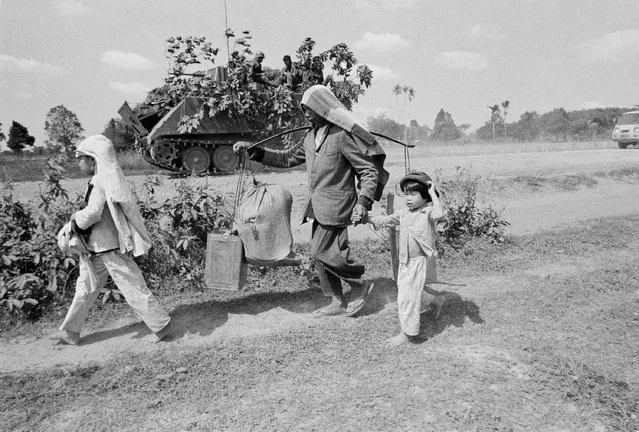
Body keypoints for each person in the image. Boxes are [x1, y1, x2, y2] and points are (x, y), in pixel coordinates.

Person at [233, 85, 389, 317]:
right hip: (317, 207)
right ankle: (337, 301)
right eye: (303, 109)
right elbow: (286, 159)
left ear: (322, 109)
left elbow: (368, 171)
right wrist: (255, 151)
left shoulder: (340, 136)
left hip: (338, 205)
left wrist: (363, 202)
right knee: (322, 256)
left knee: (321, 253)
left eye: (309, 109)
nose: (305, 113)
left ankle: (359, 285)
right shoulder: (309, 137)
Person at [52, 134, 171, 345]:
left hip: (108, 248)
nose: (79, 162)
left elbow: (94, 213)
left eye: (81, 158)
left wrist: (74, 218)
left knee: (132, 285)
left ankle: (161, 326)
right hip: (97, 248)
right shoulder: (104, 179)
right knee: (85, 288)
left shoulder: (98, 182)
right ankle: (71, 332)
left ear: (92, 159)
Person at [369, 171, 446, 347]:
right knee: (409, 292)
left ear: (425, 196)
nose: (408, 198)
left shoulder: (428, 212)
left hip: (418, 263)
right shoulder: (404, 212)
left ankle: (408, 334)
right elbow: (387, 220)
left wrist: (433, 193)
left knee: (406, 298)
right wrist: (368, 219)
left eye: (413, 194)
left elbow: (439, 214)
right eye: (406, 194)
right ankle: (436, 300)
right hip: (405, 262)